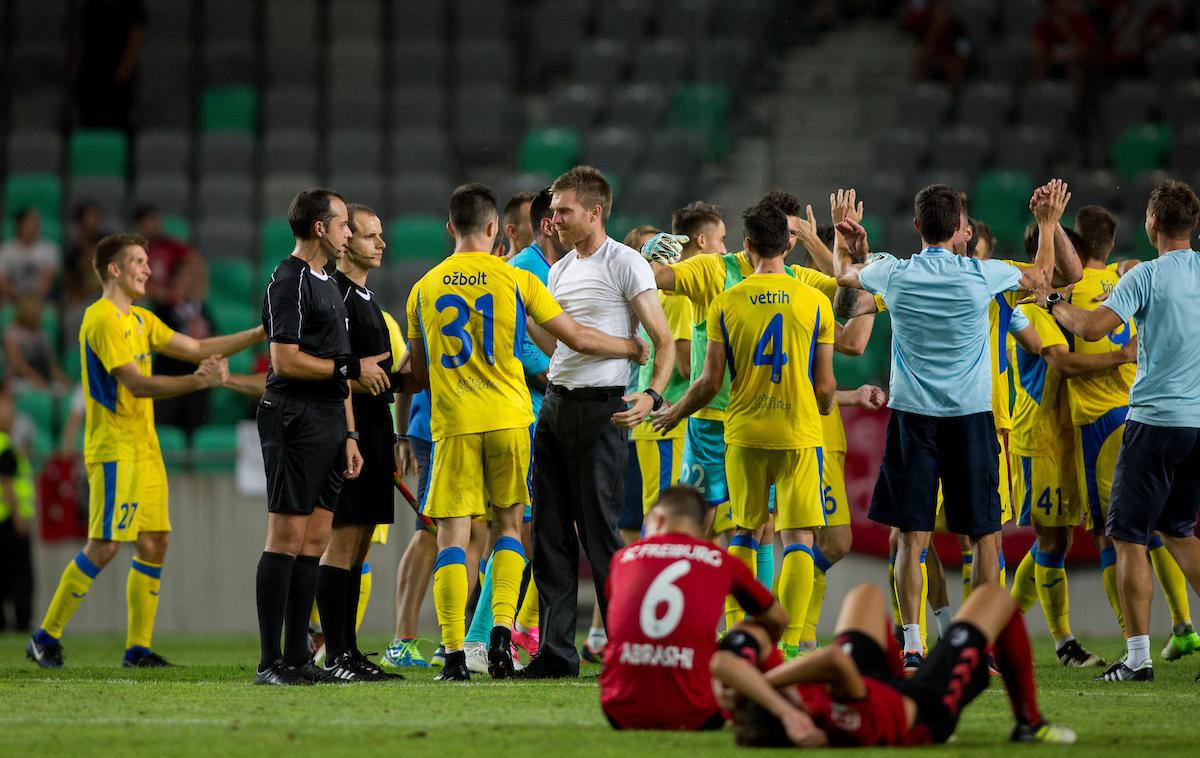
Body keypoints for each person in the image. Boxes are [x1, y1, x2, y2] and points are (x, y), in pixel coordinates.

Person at [406, 182, 650, 682]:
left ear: (451, 228)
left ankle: (454, 654)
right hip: (511, 419)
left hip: (453, 422)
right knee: (509, 527)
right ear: (495, 228)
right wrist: (628, 348)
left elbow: (418, 373)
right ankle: (501, 632)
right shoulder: (515, 277)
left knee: (452, 535)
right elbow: (575, 338)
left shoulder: (424, 287)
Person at [831, 181, 1065, 668]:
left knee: (912, 538)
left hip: (914, 419)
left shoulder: (893, 273)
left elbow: (843, 278)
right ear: (961, 228)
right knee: (984, 537)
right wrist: (1045, 222)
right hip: (970, 419)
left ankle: (914, 644)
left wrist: (844, 241)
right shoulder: (982, 275)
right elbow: (1044, 276)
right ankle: (976, 643)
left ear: (917, 226)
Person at [646, 190, 881, 648]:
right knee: (797, 537)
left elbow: (709, 382)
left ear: (746, 244)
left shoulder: (727, 300)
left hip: (741, 430)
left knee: (744, 532)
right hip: (797, 431)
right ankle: (787, 642)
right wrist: (832, 402)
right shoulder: (809, 295)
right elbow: (848, 318)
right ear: (787, 244)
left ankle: (736, 631)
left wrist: (673, 409)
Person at [26, 233, 262, 669]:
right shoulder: (101, 319)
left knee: (154, 542)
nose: (148, 269)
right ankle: (45, 637)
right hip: (113, 446)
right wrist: (199, 381)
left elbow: (196, 348)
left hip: (145, 446)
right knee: (105, 545)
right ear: (113, 269)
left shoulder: (140, 318)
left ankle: (137, 650)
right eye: (137, 261)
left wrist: (261, 331)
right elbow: (135, 383)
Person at [1029, 179, 1200, 682]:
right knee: (1180, 531)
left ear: (1151, 224)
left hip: (1150, 422)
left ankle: (1138, 657)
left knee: (1125, 536)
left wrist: (1050, 303)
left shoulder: (1144, 276)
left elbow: (1090, 328)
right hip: (1196, 423)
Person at [522, 166, 675, 679]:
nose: (553, 218)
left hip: (602, 408)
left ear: (595, 212)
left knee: (601, 535)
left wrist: (653, 393)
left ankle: (624, 651)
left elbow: (664, 340)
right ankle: (557, 654)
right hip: (556, 405)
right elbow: (560, 342)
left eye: (563, 210)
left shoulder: (626, 262)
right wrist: (540, 334)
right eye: (552, 210)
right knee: (549, 535)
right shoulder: (561, 269)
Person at [253, 189, 391, 686]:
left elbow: (336, 370)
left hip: (331, 420)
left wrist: (351, 433)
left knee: (313, 539)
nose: (349, 233)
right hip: (293, 416)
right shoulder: (287, 282)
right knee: (286, 537)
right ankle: (270, 662)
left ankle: (298, 658)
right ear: (320, 228)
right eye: (343, 225)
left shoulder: (327, 282)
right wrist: (348, 367)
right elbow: (285, 360)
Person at [712, 582, 1076, 747]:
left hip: (869, 683)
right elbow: (833, 659)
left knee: (864, 595)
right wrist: (771, 687)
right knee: (994, 599)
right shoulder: (838, 720)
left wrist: (766, 696)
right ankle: (1029, 722)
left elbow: (723, 665)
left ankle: (893, 667)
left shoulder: (778, 712)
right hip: (925, 705)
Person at [599, 485, 786, 731]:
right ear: (704, 529)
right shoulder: (720, 560)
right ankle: (780, 705)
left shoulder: (623, 557)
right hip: (697, 715)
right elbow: (779, 619)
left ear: (657, 519)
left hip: (619, 711)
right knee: (752, 631)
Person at [312, 203, 405, 682]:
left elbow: (379, 373)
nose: (381, 243)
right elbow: (333, 369)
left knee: (361, 544)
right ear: (347, 243)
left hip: (375, 427)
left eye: (381, 234)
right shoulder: (339, 298)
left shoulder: (367, 300)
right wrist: (358, 378)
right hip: (350, 432)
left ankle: (347, 651)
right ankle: (336, 655)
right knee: (342, 544)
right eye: (371, 235)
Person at [74, 0, 146, 130]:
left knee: (117, 122)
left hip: (118, 79)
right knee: (90, 122)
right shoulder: (92, 5)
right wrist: (78, 67)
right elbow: (82, 38)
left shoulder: (131, 5)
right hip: (91, 74)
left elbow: (136, 37)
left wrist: (124, 70)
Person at [0, 383, 35, 632]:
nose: (12, 414)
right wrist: (19, 518)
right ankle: (21, 624)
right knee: (20, 577)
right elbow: (7, 484)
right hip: (9, 523)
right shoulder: (6, 446)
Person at [135, 203, 206, 310]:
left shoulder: (170, 245)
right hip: (148, 296)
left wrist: (196, 293)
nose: (154, 224)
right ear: (140, 225)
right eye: (149, 221)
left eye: (156, 219)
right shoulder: (133, 249)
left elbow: (195, 261)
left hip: (172, 294)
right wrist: (155, 292)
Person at [4, 296, 70, 391]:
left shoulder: (42, 335)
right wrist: (39, 382)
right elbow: (19, 365)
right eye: (38, 311)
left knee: (63, 390)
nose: (41, 315)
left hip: (43, 378)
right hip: (20, 380)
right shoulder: (12, 333)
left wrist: (64, 380)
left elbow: (50, 364)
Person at [0, 207, 61, 303]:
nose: (33, 226)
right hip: (12, 297)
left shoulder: (50, 249)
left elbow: (46, 283)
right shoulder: (6, 250)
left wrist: (30, 301)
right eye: (29, 222)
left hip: (40, 299)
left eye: (36, 223)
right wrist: (20, 298)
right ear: (19, 225)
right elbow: (2, 281)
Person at [503, 191, 537, 259]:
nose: (544, 228)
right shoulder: (497, 268)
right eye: (535, 222)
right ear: (512, 231)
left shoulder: (555, 268)